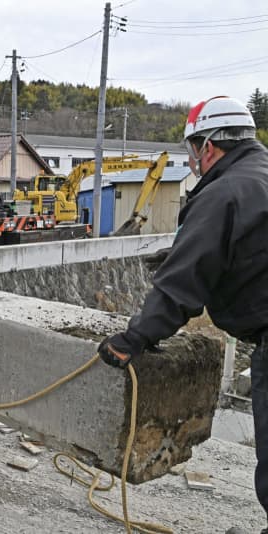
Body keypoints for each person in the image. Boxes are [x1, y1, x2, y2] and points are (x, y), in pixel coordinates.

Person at [95, 96, 268, 534]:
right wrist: (182, 252)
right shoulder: (258, 175)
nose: (192, 159)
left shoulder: (223, 192)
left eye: (193, 148)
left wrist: (130, 341)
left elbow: (180, 290)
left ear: (208, 145)